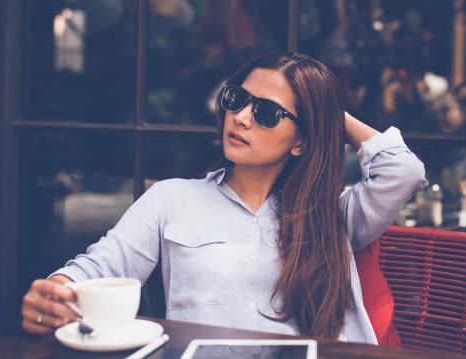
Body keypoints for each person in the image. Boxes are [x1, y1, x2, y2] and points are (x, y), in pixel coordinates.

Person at [21, 52, 426, 343]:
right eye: (237, 99)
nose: (242, 117)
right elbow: (99, 266)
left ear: (301, 141)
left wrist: (328, 113)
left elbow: (403, 171)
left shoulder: (332, 216)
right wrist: (57, 290)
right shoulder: (170, 199)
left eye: (267, 113)